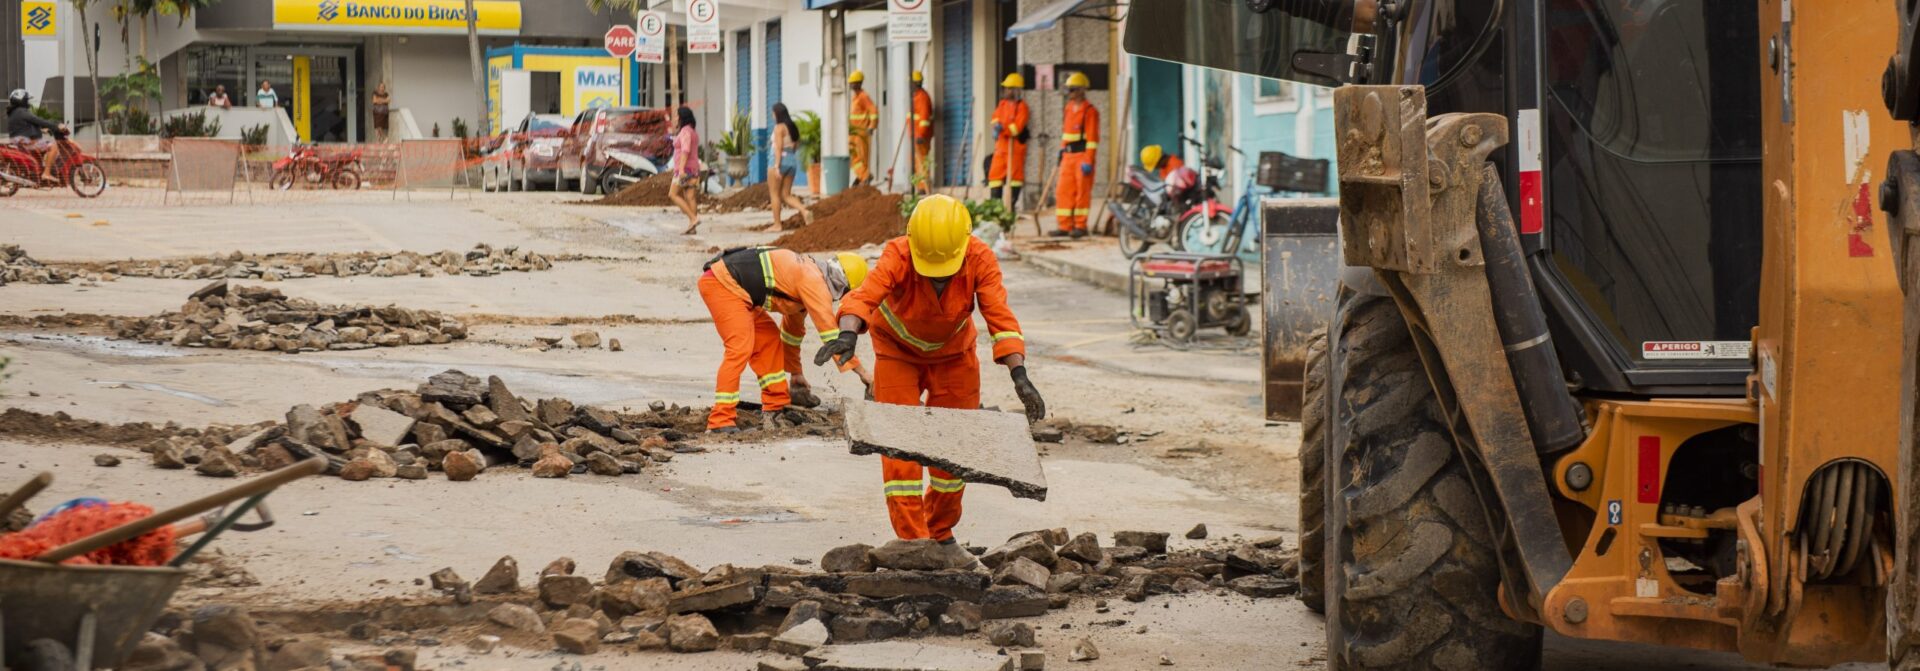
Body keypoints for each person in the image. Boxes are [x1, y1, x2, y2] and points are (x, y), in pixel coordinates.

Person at [817, 195, 1046, 562]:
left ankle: (940, 536)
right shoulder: (898, 253)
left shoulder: (979, 257)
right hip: (896, 352)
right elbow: (865, 296)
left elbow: (999, 317)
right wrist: (847, 334)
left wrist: (1020, 376)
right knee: (899, 447)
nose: (938, 275)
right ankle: (913, 543)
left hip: (954, 356)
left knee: (954, 448)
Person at [700, 246, 872, 432]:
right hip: (721, 284)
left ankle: (776, 405)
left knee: (769, 340)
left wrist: (796, 374)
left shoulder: (808, 279)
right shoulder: (814, 282)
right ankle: (720, 420)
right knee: (739, 347)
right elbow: (832, 335)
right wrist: (864, 374)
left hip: (736, 289)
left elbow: (792, 335)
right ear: (844, 287)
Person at [1051, 72, 1099, 238]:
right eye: (1069, 90)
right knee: (1062, 191)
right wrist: (1062, 150)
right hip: (1068, 156)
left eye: (1072, 89)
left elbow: (1092, 140)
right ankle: (1064, 226)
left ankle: (1080, 226)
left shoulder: (1090, 111)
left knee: (1081, 192)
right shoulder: (1068, 108)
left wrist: (1088, 160)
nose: (1069, 93)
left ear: (1081, 90)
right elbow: (1066, 133)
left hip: (1082, 156)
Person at [987, 73, 1031, 206]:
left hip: (1014, 148)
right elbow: (995, 118)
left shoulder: (1022, 107)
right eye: (1006, 88)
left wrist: (1003, 128)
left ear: (1016, 90)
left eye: (1009, 88)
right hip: (1000, 147)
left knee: (1015, 178)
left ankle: (1011, 206)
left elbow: (1016, 128)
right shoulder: (1002, 104)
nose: (1006, 90)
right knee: (995, 176)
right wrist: (996, 126)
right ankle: (996, 207)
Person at [767, 103, 812, 228]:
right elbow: (796, 145)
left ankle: (777, 225)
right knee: (786, 194)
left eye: (773, 113)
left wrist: (777, 166)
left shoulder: (779, 128)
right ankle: (804, 211)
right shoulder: (792, 127)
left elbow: (778, 148)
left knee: (774, 194)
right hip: (792, 161)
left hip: (779, 160)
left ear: (777, 114)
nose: (772, 115)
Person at [7, 89, 65, 183]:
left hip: (20, 140)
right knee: (53, 146)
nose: (28, 102)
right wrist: (56, 126)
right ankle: (46, 173)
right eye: (26, 100)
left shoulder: (14, 112)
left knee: (42, 148)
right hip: (25, 141)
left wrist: (41, 130)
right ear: (21, 100)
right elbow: (38, 120)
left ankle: (38, 173)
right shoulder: (22, 112)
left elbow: (23, 127)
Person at [669, 106, 703, 235]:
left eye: (677, 116)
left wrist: (681, 169)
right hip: (693, 169)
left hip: (685, 169)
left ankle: (693, 219)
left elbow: (685, 150)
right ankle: (692, 227)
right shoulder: (692, 132)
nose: (675, 118)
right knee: (690, 197)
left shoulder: (685, 131)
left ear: (682, 117)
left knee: (672, 194)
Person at [848, 71, 878, 185]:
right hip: (854, 133)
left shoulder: (863, 96)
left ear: (858, 83)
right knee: (854, 156)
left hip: (861, 133)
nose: (851, 85)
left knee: (862, 157)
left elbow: (873, 111)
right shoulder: (855, 97)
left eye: (853, 83)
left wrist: (872, 126)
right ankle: (863, 175)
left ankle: (864, 176)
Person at [909, 71, 934, 190]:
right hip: (915, 134)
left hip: (920, 136)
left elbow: (924, 118)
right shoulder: (916, 97)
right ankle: (920, 187)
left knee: (922, 161)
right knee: (916, 162)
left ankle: (925, 188)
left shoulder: (922, 97)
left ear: (915, 83)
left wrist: (921, 134)